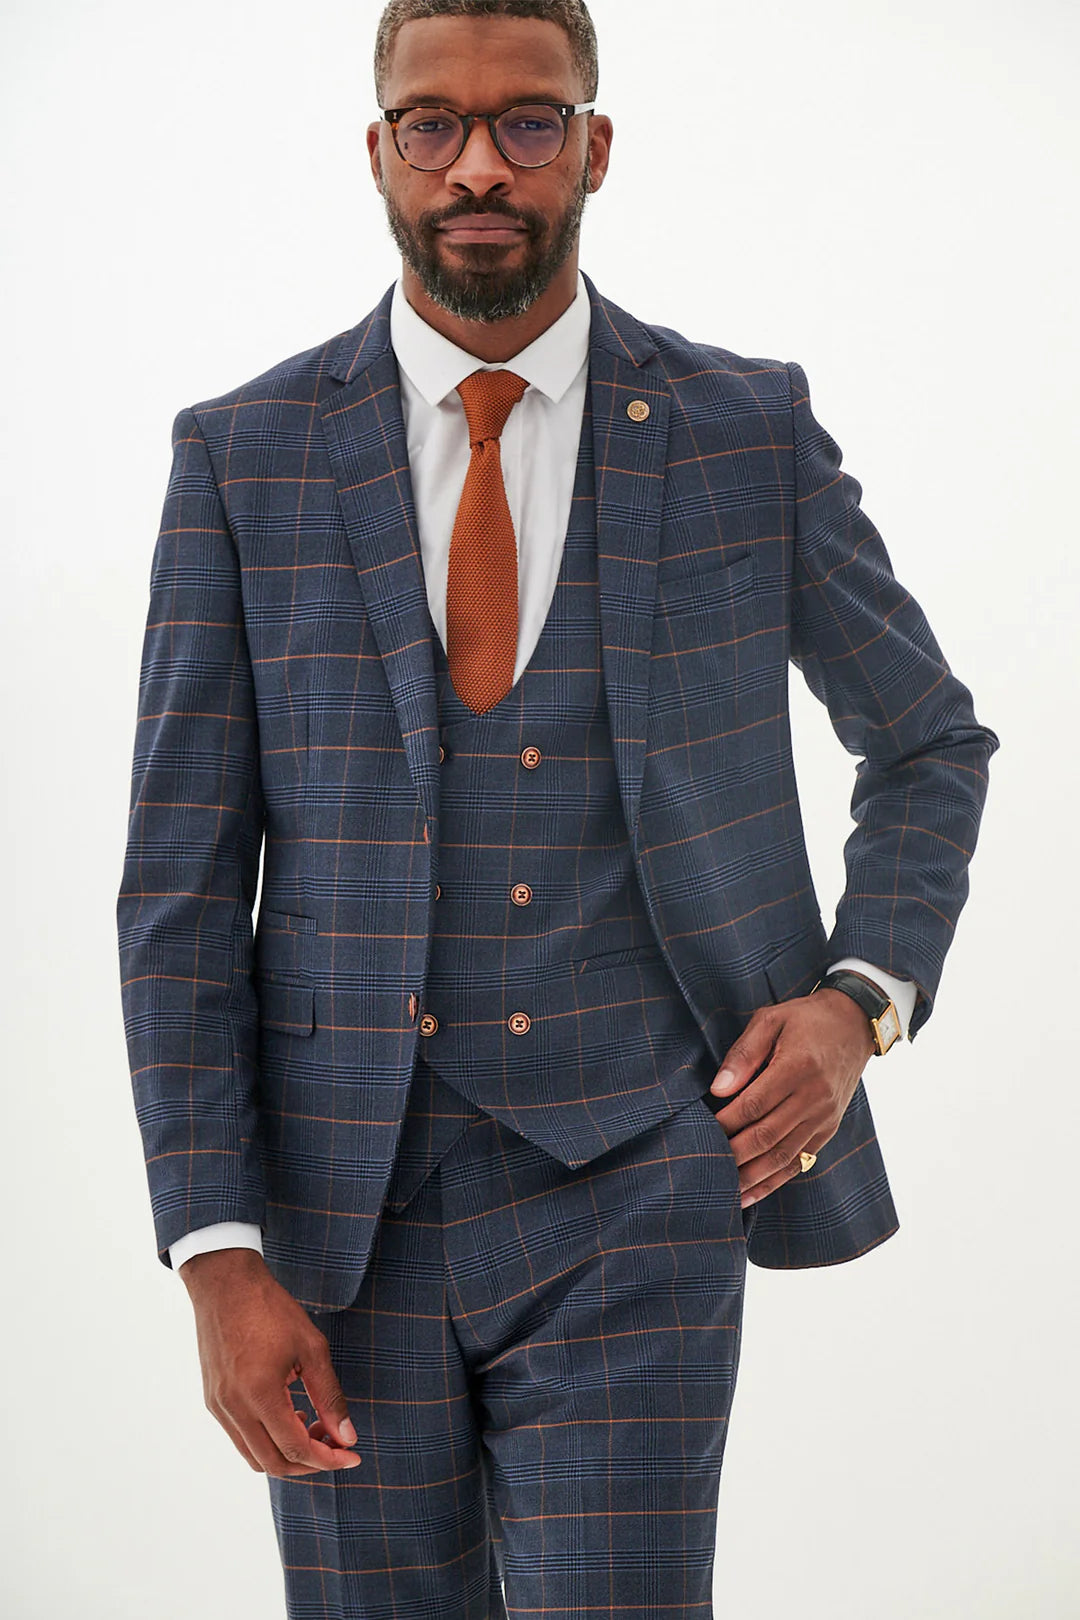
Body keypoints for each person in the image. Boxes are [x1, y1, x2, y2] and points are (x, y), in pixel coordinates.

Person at [116, 2, 1000, 1614]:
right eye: (432, 123)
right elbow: (179, 886)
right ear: (378, 152)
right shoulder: (245, 456)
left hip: (645, 1179)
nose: (479, 164)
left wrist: (858, 1003)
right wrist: (214, 1252)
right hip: (336, 1217)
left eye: (529, 122)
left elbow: (930, 738)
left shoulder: (747, 432)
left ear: (594, 146)